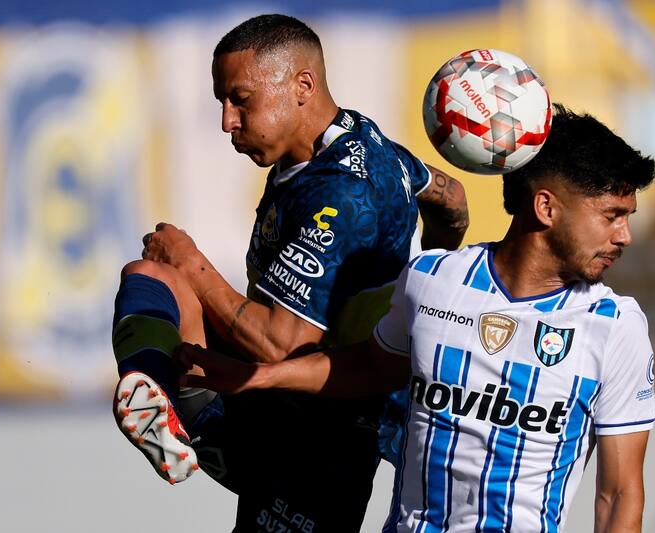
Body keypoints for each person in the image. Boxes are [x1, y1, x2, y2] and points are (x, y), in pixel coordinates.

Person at [180, 104, 655, 533]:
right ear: (546, 207)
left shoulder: (616, 327)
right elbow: (367, 368)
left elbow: (618, 496)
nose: (626, 236)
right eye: (612, 215)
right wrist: (260, 377)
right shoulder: (433, 278)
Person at [110, 13, 468, 532]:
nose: (227, 122)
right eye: (222, 103)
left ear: (303, 86)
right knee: (151, 275)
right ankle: (154, 404)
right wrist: (433, 279)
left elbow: (282, 343)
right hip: (266, 398)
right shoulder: (361, 143)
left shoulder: (342, 194)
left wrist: (193, 262)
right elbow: (450, 198)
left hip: (322, 438)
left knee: (174, 267)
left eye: (240, 100)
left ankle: (165, 406)